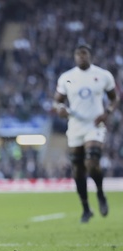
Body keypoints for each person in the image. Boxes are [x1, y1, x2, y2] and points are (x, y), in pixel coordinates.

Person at [52, 42, 120, 223]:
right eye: (78, 54)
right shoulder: (67, 77)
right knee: (77, 170)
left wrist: (107, 112)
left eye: (84, 54)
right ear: (74, 57)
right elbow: (57, 101)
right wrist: (60, 109)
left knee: (92, 162)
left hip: (94, 126)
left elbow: (115, 98)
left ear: (90, 56)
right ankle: (86, 208)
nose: (81, 56)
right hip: (75, 127)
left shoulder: (103, 75)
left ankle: (100, 193)